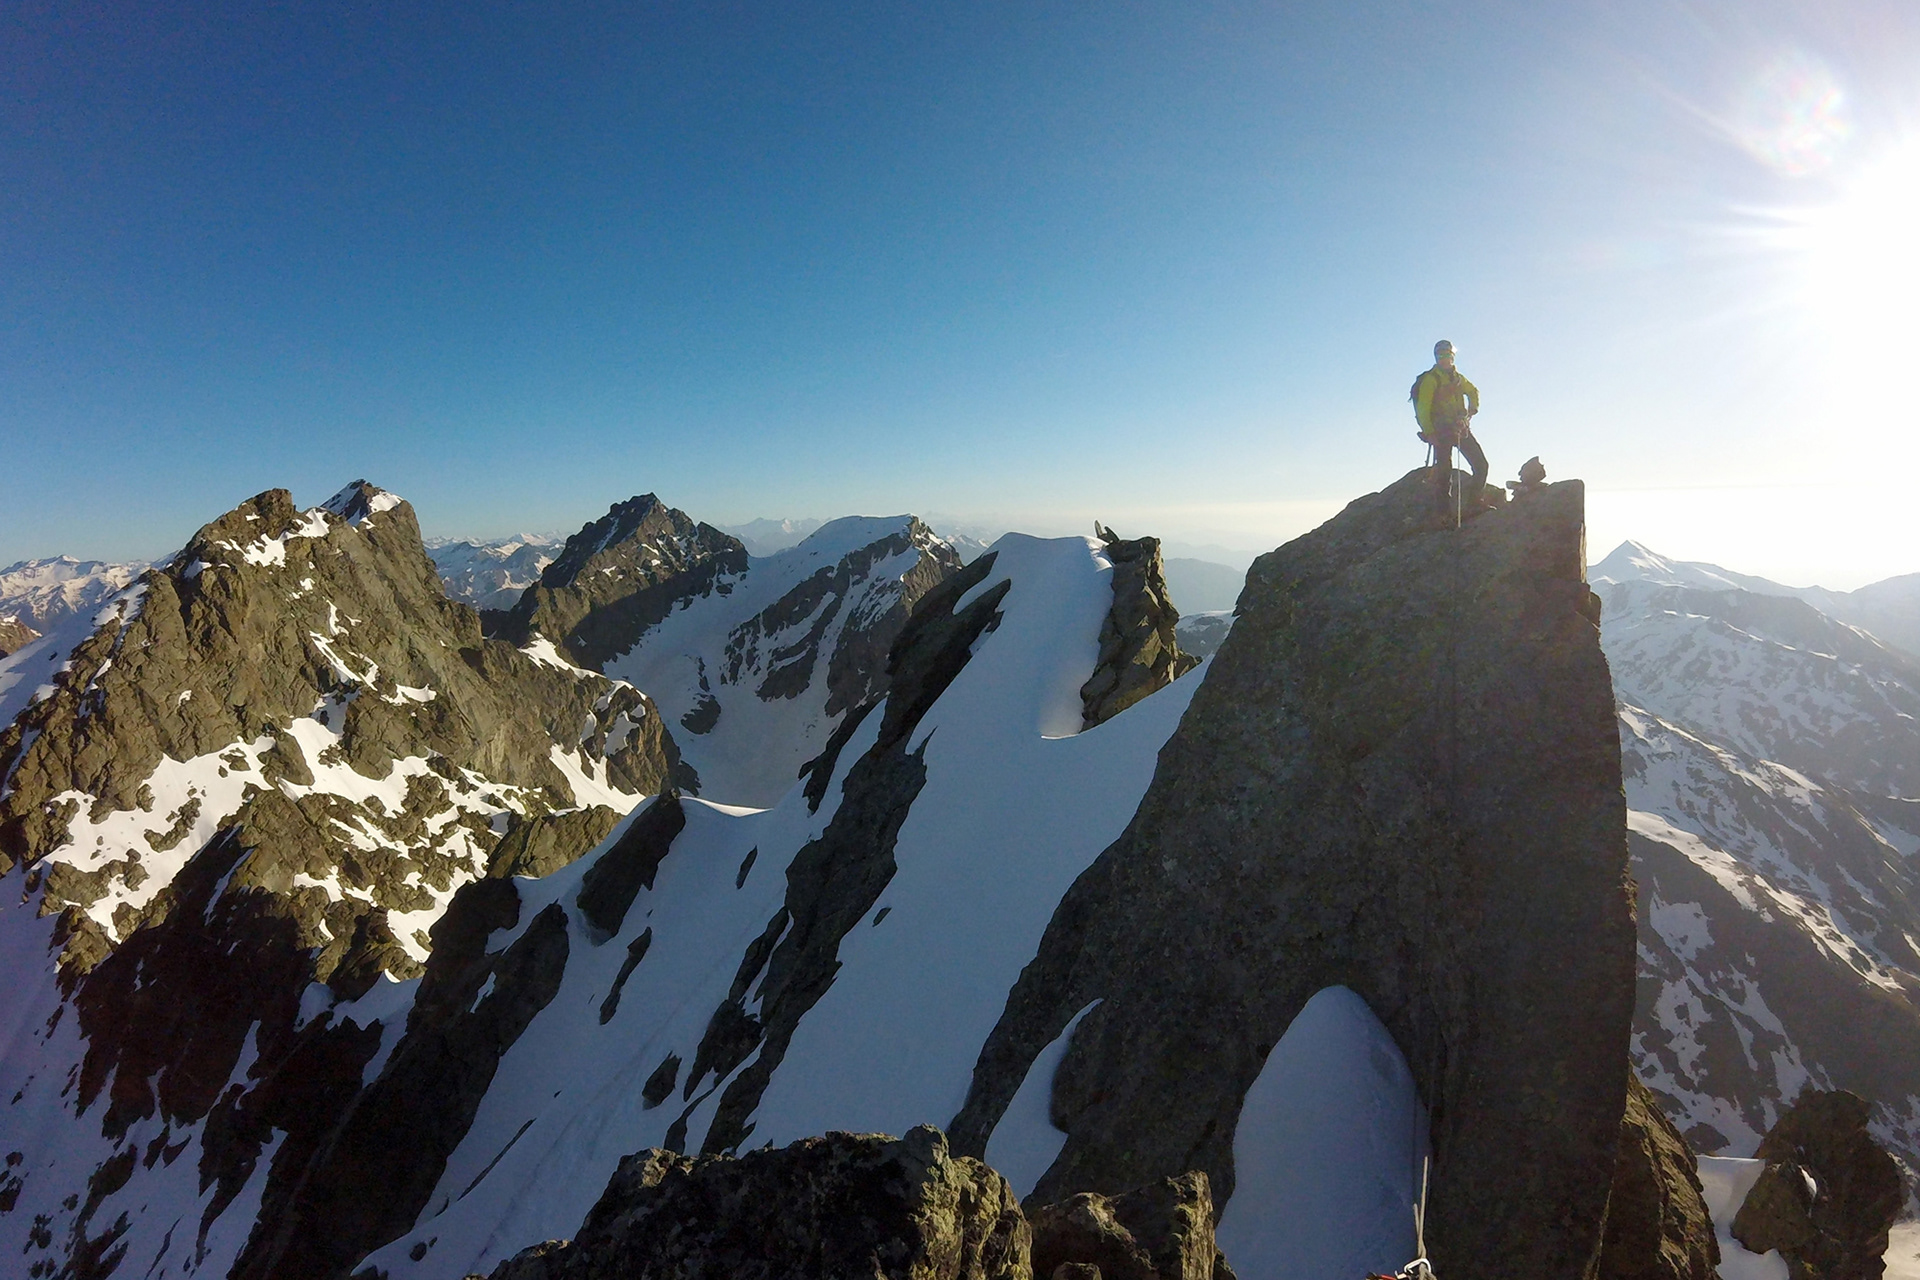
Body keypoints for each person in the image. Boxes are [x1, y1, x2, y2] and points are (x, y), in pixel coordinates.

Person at [1411, 340, 1486, 513]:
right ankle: (1444, 515)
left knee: (1481, 464)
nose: (1444, 359)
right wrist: (1430, 433)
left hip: (1459, 427)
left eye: (1447, 355)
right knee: (1444, 475)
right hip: (1441, 432)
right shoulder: (1431, 379)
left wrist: (1473, 407)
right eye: (1440, 356)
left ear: (1452, 356)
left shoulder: (1458, 378)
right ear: (1436, 357)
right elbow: (1423, 409)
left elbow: (1473, 390)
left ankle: (1474, 503)